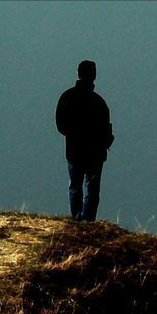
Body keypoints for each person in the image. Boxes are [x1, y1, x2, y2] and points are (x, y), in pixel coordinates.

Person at [55, 59, 113, 221]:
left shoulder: (67, 97)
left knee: (76, 186)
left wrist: (74, 135)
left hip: (75, 150)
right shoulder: (99, 102)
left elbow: (60, 124)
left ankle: (78, 219)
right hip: (94, 152)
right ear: (93, 76)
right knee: (90, 189)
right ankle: (87, 221)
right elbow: (106, 128)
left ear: (78, 74)